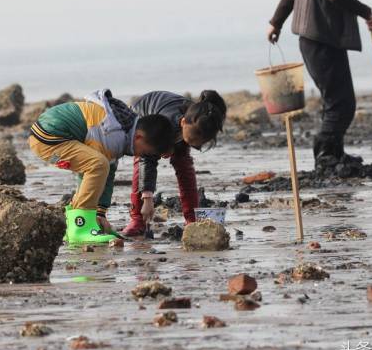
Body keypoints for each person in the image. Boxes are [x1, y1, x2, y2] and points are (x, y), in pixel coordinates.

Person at [266, 0, 372, 170]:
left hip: (311, 40)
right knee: (342, 102)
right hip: (324, 41)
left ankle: (335, 153)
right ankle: (326, 156)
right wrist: (367, 12)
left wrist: (276, 23)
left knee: (334, 99)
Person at [29, 89, 175, 245]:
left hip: (50, 136)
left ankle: (76, 225)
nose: (142, 155)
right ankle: (81, 226)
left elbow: (107, 174)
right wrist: (90, 215)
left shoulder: (122, 128)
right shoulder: (113, 134)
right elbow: (91, 171)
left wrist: (100, 213)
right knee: (97, 165)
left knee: (99, 165)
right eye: (145, 151)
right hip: (49, 138)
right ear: (139, 136)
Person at [121, 90, 227, 237]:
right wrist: (147, 198)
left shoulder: (201, 121)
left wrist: (177, 146)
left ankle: (191, 219)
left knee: (183, 164)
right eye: (190, 140)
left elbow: (185, 157)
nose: (191, 144)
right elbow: (147, 160)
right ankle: (137, 219)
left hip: (176, 129)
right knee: (142, 158)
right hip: (144, 115)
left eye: (197, 144)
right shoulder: (168, 124)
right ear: (183, 122)